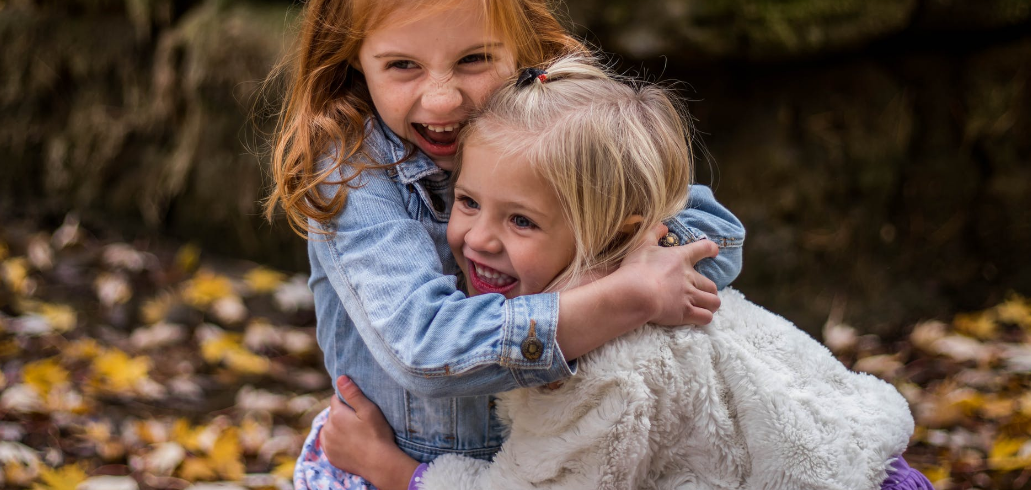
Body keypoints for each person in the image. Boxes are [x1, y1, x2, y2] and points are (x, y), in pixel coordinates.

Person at [264, 0, 746, 490]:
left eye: (473, 59)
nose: (441, 100)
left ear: (521, 42)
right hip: (400, 468)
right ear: (353, 56)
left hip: (551, 466)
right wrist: (623, 297)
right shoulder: (353, 173)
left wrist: (605, 272)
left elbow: (715, 236)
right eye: (402, 66)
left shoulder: (552, 125)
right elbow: (428, 348)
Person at [321, 55, 933, 490]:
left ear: (614, 234)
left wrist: (394, 471)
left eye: (522, 222)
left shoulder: (611, 368)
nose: (479, 238)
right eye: (469, 201)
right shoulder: (649, 274)